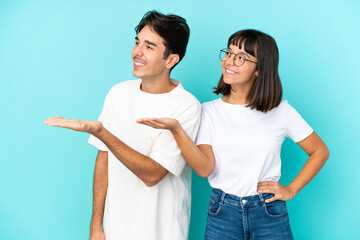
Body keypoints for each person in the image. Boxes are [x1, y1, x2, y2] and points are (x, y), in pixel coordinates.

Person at [137, 29, 330, 240]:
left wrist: (291, 190)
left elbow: (319, 151)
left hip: (268, 212)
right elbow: (204, 169)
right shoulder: (208, 111)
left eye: (241, 58)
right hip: (222, 213)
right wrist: (176, 129)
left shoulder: (280, 111)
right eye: (228, 53)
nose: (229, 61)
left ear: (259, 69)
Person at [45, 11, 201, 240]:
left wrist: (102, 133)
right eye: (137, 42)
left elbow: (152, 174)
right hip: (115, 229)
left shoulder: (186, 106)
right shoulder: (119, 93)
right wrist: (95, 226)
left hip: (161, 232)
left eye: (149, 46)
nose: (137, 52)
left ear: (171, 60)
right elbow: (103, 161)